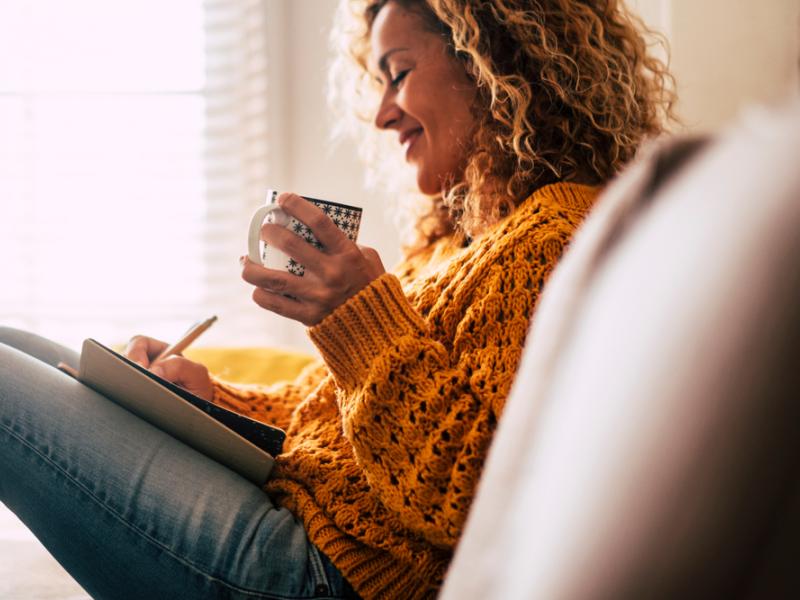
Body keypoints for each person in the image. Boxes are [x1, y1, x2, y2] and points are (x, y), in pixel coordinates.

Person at [0, 1, 674, 598]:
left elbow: (481, 505)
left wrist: (358, 318)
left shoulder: (554, 239)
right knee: (24, 350)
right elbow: (334, 423)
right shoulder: (458, 241)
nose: (382, 113)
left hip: (328, 571)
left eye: (399, 72)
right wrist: (209, 400)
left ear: (492, 62)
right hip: (307, 516)